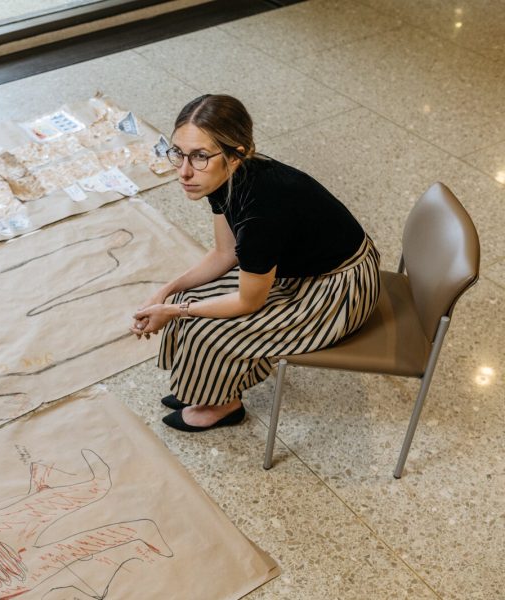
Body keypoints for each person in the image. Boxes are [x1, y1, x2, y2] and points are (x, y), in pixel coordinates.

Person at [131, 94, 380, 432]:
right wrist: (166, 291)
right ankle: (203, 387)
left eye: (200, 156)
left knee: (210, 330)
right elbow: (224, 254)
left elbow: (250, 301)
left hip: (339, 288)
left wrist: (174, 312)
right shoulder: (223, 179)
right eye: (178, 153)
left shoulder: (261, 212)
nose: (185, 172)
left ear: (238, 154)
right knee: (183, 298)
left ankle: (224, 403)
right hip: (299, 266)